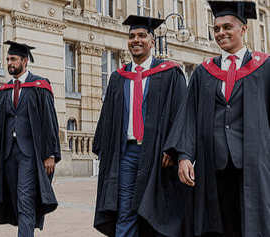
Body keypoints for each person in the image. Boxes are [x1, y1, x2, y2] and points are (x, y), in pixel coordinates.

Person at [164, 1, 270, 236]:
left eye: (227, 27)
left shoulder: (264, 67)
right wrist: (183, 156)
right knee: (219, 226)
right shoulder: (204, 72)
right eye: (216, 29)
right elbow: (188, 117)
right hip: (213, 166)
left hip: (254, 164)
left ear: (243, 29)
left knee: (254, 224)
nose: (221, 33)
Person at [93, 15, 190, 237]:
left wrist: (173, 149)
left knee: (155, 213)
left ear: (152, 41)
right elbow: (107, 116)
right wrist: (104, 152)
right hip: (126, 154)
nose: (136, 40)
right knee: (125, 211)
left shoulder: (170, 73)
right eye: (131, 36)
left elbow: (180, 115)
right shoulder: (118, 77)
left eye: (141, 36)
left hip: (158, 156)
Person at [0, 40, 61, 236]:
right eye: (7, 59)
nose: (9, 63)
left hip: (29, 154)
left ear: (25, 60)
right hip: (7, 154)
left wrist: (50, 154)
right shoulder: (5, 90)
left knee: (25, 199)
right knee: (14, 197)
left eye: (13, 59)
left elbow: (49, 121)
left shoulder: (40, 86)